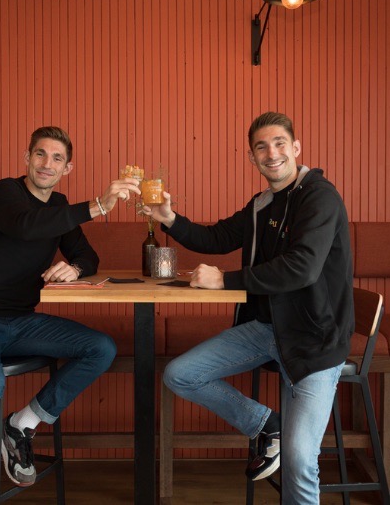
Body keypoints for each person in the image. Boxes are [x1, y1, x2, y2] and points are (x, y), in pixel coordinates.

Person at [144, 112, 354, 503]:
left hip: (314, 342)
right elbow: (218, 236)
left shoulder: (319, 196)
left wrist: (225, 279)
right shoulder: (263, 205)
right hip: (266, 329)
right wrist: (169, 219)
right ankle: (266, 425)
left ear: (295, 148)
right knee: (180, 374)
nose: (271, 153)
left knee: (297, 459)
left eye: (278, 143)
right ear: (252, 157)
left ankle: (282, 442)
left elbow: (302, 268)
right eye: (261, 146)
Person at [0, 126, 141, 498]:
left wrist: (75, 268)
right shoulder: (4, 193)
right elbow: (27, 226)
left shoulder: (60, 206)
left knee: (101, 348)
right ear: (26, 159)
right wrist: (98, 205)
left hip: (20, 320)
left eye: (57, 158)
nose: (47, 164)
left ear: (68, 168)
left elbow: (87, 255)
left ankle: (21, 425)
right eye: (40, 155)